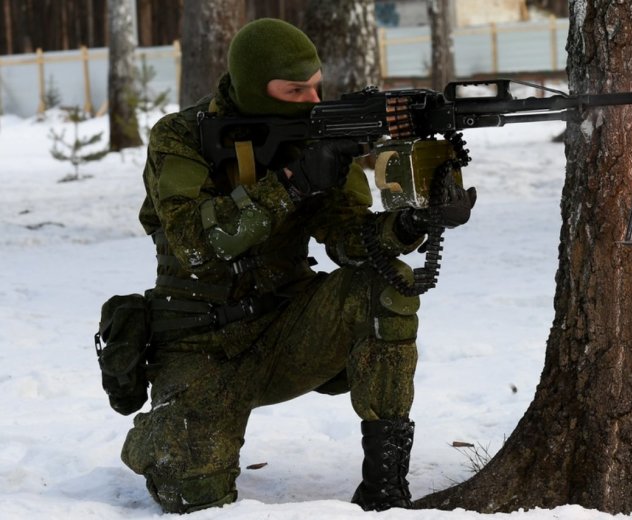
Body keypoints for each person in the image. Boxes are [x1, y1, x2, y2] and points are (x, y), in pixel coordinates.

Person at [119, 18, 475, 513]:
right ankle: (160, 435)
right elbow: (197, 244)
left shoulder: (321, 135)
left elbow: (350, 239)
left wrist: (411, 223)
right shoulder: (180, 137)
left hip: (289, 331)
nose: (312, 100)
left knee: (383, 285)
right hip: (199, 344)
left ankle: (385, 488)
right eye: (294, 89)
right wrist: (290, 183)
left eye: (316, 86)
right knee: (194, 495)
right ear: (252, 88)